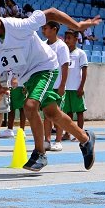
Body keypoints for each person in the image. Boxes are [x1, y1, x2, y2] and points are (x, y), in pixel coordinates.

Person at [0, 2, 98, 172]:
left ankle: (40, 153)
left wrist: (78, 26)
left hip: (44, 67)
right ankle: (85, 139)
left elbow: (51, 13)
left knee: (30, 106)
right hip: (25, 76)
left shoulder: (18, 26)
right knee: (52, 113)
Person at [41, 21, 70, 151]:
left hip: (57, 85)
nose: (43, 31)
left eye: (46, 28)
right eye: (43, 28)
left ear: (54, 29)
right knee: (46, 114)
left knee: (58, 114)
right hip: (46, 84)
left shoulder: (61, 46)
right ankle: (47, 140)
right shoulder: (43, 45)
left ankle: (58, 140)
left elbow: (65, 66)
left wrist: (62, 85)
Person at [62, 30, 88, 133]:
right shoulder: (64, 53)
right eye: (66, 38)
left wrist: (81, 86)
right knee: (68, 112)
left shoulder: (80, 53)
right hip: (65, 87)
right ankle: (68, 133)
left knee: (79, 111)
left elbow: (84, 71)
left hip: (76, 87)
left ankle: (80, 133)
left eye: (69, 38)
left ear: (76, 39)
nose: (66, 40)